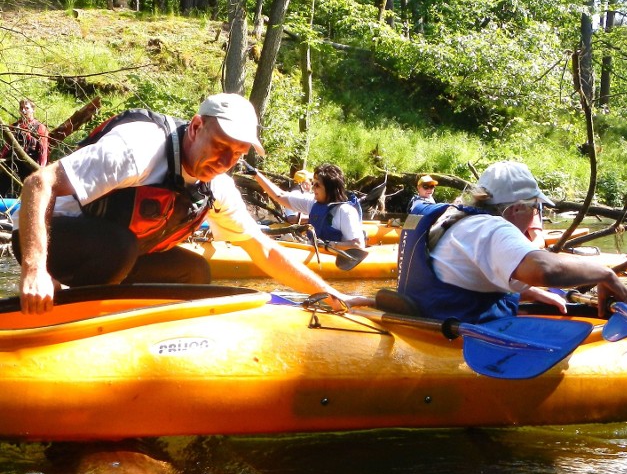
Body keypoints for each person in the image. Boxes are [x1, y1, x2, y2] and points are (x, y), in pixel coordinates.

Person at [13, 93, 368, 315]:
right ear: (196, 127)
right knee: (119, 247)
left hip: (117, 252)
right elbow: (37, 183)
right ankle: (74, 317)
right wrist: (34, 269)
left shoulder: (216, 186)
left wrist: (331, 294)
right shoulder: (138, 148)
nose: (225, 160)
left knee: (194, 272)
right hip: (45, 236)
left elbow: (265, 251)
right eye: (221, 146)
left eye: (237, 155)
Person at [396, 161, 627, 323]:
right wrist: (605, 274)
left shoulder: (455, 220)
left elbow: (466, 275)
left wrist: (531, 293)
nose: (535, 215)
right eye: (536, 207)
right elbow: (545, 270)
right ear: (518, 207)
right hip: (454, 343)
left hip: (430, 323)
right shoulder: (491, 228)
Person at [254, 163, 365, 251]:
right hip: (315, 250)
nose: (313, 188)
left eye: (317, 185)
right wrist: (256, 174)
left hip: (335, 257)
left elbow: (358, 245)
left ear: (330, 189)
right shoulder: (312, 203)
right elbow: (280, 196)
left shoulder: (345, 212)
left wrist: (330, 244)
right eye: (313, 184)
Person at [1, 98, 50, 195]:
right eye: (21, 108)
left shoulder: (40, 128)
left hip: (29, 163)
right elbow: (7, 147)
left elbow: (43, 151)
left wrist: (41, 168)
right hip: (12, 161)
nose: (23, 110)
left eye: (26, 108)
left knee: (29, 191)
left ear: (33, 110)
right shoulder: (13, 126)